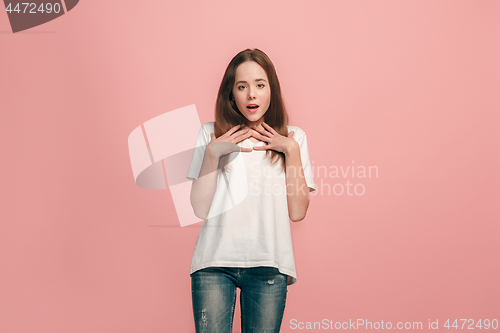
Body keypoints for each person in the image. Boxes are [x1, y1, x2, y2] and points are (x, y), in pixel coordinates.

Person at [186, 48, 316, 333]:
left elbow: (297, 212)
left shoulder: (294, 138)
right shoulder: (210, 134)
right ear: (231, 94)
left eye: (260, 85)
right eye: (242, 87)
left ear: (272, 90)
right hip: (213, 265)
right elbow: (198, 209)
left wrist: (290, 151)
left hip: (269, 266)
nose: (251, 95)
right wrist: (212, 154)